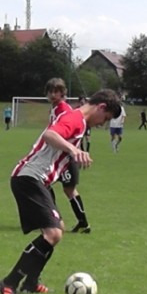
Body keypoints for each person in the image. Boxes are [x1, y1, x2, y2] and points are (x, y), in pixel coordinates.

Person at [0, 89, 122, 294]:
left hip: (38, 180)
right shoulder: (76, 119)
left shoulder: (77, 119)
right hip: (29, 178)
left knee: (58, 229)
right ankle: (9, 283)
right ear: (101, 107)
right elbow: (50, 135)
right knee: (53, 233)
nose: (102, 124)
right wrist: (73, 149)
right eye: (105, 118)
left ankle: (31, 282)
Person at [45, 78, 90, 233]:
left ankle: (58, 220)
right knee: (48, 185)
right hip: (58, 156)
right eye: (50, 92)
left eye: (56, 92)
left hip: (65, 157)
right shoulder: (55, 109)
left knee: (65, 189)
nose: (53, 95)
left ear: (62, 93)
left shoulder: (64, 110)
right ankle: (74, 222)